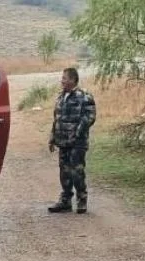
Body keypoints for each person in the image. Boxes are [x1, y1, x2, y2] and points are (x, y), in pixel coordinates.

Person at [48, 66, 97, 214]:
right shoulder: (60, 97)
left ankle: (82, 200)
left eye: (64, 78)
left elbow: (90, 117)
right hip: (62, 141)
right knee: (64, 173)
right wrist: (52, 138)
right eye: (62, 78)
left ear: (73, 79)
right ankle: (65, 201)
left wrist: (77, 132)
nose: (62, 81)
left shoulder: (84, 96)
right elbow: (56, 119)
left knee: (77, 172)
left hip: (77, 142)